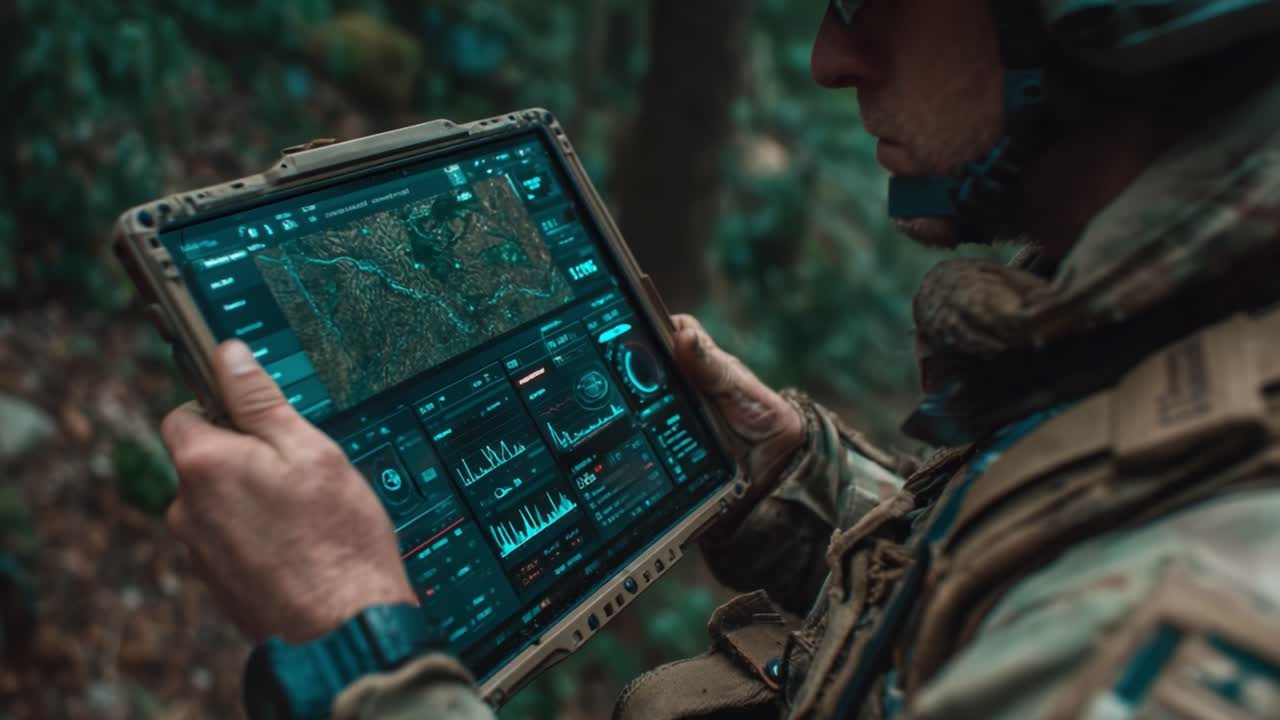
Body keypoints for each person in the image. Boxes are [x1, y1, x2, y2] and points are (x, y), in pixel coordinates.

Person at [159, 0, 1280, 718]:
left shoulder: (1185, 628)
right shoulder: (1179, 339)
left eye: (875, 1)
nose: (831, 55)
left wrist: (351, 638)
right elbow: (1026, 594)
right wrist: (798, 486)